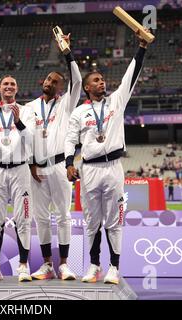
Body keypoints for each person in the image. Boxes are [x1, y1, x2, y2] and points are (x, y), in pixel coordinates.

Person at [65, 30, 150, 284]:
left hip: (113, 167)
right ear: (88, 87)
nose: (102, 83)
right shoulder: (79, 113)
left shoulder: (116, 102)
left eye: (103, 80)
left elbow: (130, 79)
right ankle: (93, 266)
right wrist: (69, 163)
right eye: (97, 80)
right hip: (89, 169)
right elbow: (70, 140)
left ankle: (114, 267)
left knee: (114, 221)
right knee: (91, 221)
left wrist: (141, 49)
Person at [26, 32, 81, 280]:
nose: (50, 81)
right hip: (36, 169)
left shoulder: (66, 104)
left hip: (59, 165)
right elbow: (24, 138)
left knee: (63, 216)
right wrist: (30, 164)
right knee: (40, 217)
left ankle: (65, 264)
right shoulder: (29, 108)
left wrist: (67, 51)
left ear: (61, 87)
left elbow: (78, 81)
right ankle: (47, 264)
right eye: (48, 78)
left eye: (56, 80)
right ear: (43, 82)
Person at [0, 74, 36, 282]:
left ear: (17, 88)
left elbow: (31, 142)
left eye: (13, 84)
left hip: (20, 170)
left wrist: (19, 122)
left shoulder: (27, 111)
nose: (9, 86)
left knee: (23, 219)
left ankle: (23, 265)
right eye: (5, 84)